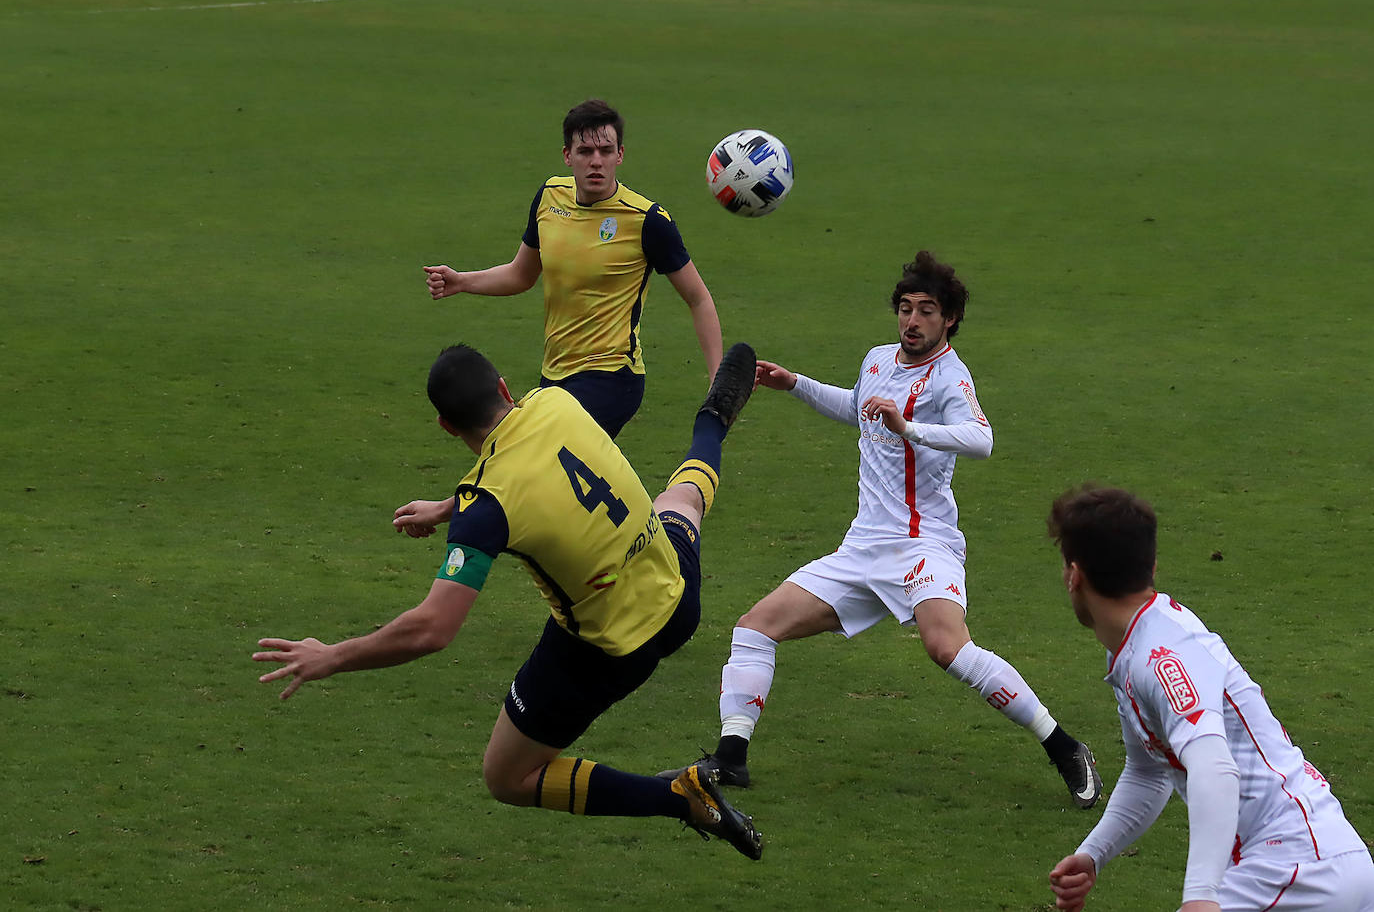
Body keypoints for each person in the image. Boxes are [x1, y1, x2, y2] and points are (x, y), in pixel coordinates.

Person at [253, 342, 763, 860]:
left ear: (447, 428)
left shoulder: (486, 505)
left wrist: (331, 656)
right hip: (675, 590)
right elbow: (535, 468)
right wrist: (449, 508)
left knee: (508, 777)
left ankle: (680, 798)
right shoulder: (555, 401)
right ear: (503, 387)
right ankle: (712, 423)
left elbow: (434, 627)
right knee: (681, 500)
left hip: (611, 645)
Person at [661, 250, 1103, 809]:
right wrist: (794, 383)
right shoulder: (877, 359)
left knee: (946, 647)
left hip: (923, 544)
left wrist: (911, 426)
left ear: (949, 321)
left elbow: (981, 439)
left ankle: (1064, 747)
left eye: (926, 311)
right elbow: (858, 410)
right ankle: (731, 757)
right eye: (905, 308)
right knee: (754, 627)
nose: (912, 321)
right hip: (862, 547)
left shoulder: (949, 377)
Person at [1046, 486, 1374, 911]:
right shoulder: (1137, 643)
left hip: (1297, 870)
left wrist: (1201, 896)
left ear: (1074, 576)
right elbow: (1149, 773)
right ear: (1152, 567)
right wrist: (1094, 854)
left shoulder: (1160, 657)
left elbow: (1215, 769)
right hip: (1309, 860)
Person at [421, 98, 723, 439]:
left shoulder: (647, 221)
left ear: (620, 155)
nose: (596, 161)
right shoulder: (550, 197)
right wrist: (462, 281)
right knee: (545, 475)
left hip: (611, 377)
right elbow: (522, 274)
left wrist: (717, 380)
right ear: (568, 155)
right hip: (554, 375)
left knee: (536, 454)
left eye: (606, 151)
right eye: (585, 151)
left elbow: (698, 298)